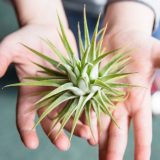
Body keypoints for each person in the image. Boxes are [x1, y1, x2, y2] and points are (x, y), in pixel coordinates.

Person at [0, 0, 160, 160]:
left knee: (144, 58)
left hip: (141, 12)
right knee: (78, 37)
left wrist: (131, 22)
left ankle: (150, 85)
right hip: (61, 8)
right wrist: (40, 17)